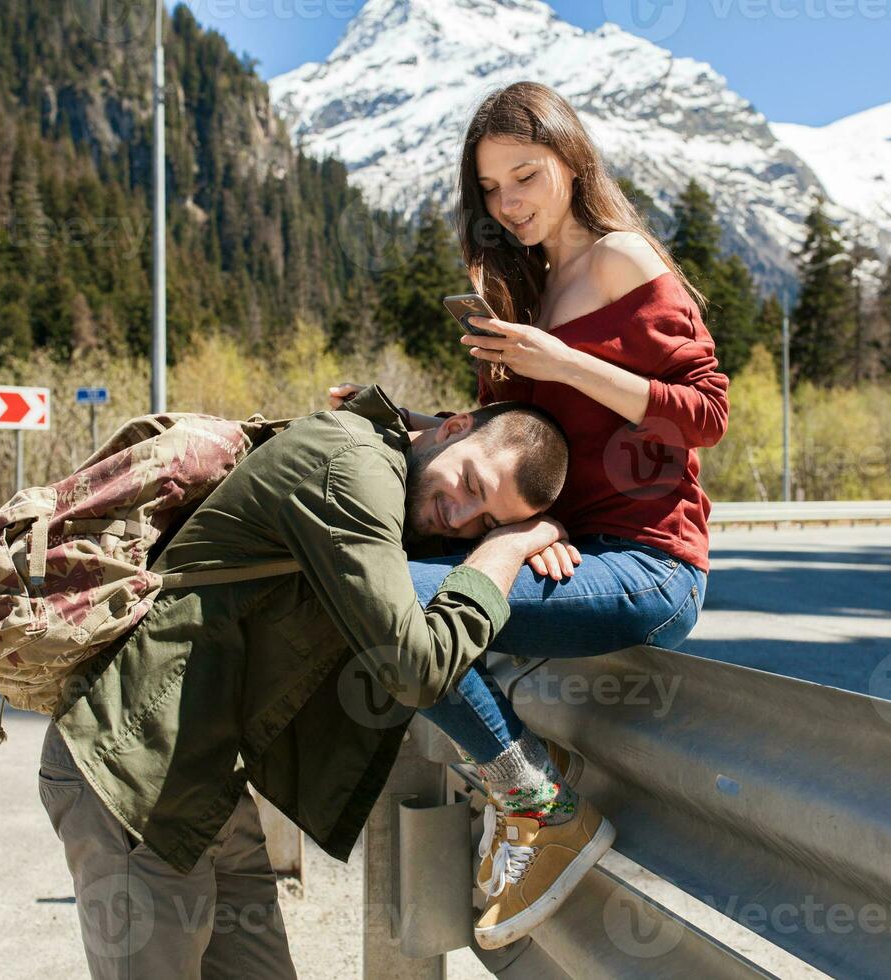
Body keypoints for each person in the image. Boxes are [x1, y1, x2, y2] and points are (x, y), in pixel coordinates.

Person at [329, 79, 730, 950]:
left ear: (571, 162)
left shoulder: (622, 260)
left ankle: (539, 807)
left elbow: (706, 414)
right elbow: (528, 442)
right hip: (570, 553)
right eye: (491, 190)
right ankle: (527, 802)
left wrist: (562, 358)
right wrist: (413, 426)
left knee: (391, 598)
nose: (509, 205)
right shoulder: (517, 283)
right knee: (362, 582)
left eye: (526, 177)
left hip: (652, 565)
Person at [38, 385, 572, 979]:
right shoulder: (352, 467)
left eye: (486, 520)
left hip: (207, 790)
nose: (461, 517)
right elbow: (415, 669)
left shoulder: (394, 475)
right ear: (453, 428)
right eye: (471, 486)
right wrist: (509, 545)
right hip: (130, 775)